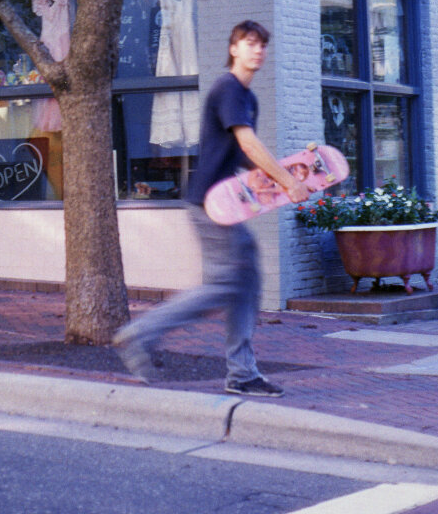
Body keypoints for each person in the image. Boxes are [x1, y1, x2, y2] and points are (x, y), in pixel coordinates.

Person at [112, 20, 309, 397]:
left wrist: (300, 172)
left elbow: (243, 158)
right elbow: (250, 146)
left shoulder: (248, 98)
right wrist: (288, 180)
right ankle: (139, 335)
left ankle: (242, 372)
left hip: (228, 205)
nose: (258, 50)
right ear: (234, 48)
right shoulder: (228, 88)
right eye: (250, 43)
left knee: (246, 280)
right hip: (210, 204)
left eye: (263, 45)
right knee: (224, 284)